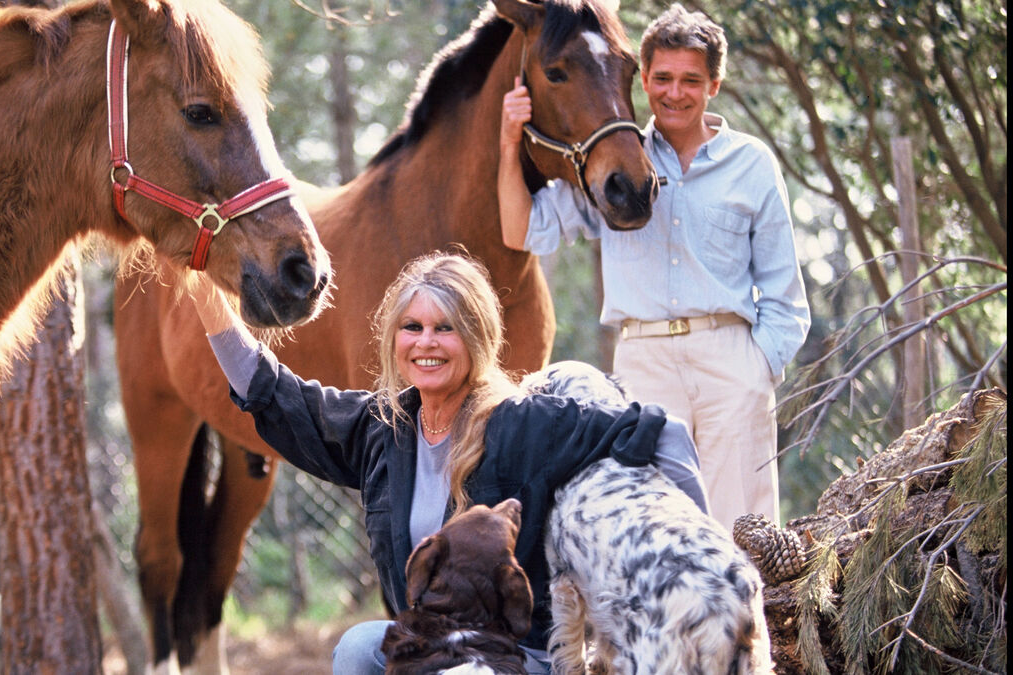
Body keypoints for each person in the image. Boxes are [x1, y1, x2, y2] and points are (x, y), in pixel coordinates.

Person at [191, 251, 708, 674]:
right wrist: (204, 290)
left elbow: (661, 431)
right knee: (357, 648)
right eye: (412, 327)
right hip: (432, 646)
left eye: (445, 328)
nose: (426, 343)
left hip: (520, 656)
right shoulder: (383, 428)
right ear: (395, 339)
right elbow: (276, 395)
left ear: (476, 337)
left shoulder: (523, 423)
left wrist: (700, 552)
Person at [497, 4, 810, 530]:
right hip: (644, 365)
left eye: (691, 79)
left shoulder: (753, 164)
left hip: (731, 360)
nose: (674, 92)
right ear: (642, 80)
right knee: (656, 534)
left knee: (745, 533)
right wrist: (510, 143)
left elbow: (783, 292)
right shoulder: (614, 162)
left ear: (714, 84)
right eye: (662, 78)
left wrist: (757, 371)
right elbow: (523, 230)